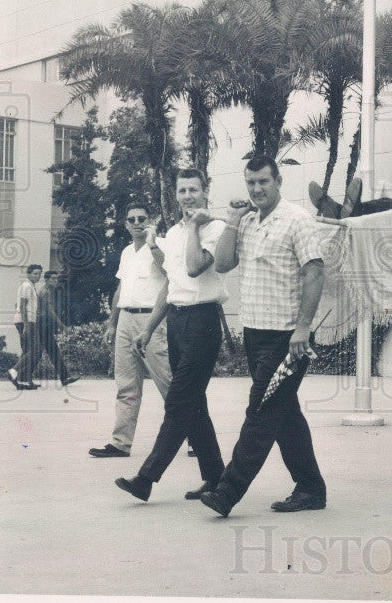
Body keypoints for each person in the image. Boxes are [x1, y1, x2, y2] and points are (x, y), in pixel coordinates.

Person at [199, 155, 328, 517]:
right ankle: (311, 488)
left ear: (278, 181)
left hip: (287, 338)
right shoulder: (248, 222)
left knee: (259, 413)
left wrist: (303, 327)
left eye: (263, 182)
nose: (256, 189)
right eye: (251, 182)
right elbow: (222, 264)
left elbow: (315, 273)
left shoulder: (297, 220)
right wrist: (233, 222)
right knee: (284, 415)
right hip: (255, 335)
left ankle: (227, 491)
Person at [115, 168, 227, 502]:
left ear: (205, 192)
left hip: (204, 322)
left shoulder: (215, 228)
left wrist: (194, 226)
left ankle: (146, 478)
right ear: (175, 195)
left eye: (194, 189)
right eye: (182, 190)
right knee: (195, 406)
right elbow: (171, 282)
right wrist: (149, 329)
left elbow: (194, 267)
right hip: (177, 322)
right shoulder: (175, 232)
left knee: (179, 402)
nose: (188, 196)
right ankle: (216, 477)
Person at [89, 203, 174, 458]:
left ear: (150, 221)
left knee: (168, 383)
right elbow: (120, 290)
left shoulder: (160, 245)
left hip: (152, 320)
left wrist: (152, 243)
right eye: (132, 219)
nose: (137, 223)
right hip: (126, 319)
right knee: (126, 385)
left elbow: (169, 271)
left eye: (142, 219)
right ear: (126, 224)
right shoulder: (127, 252)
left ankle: (195, 437)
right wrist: (112, 323)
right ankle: (120, 442)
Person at [7, 264, 43, 390]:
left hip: (26, 320)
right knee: (36, 349)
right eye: (34, 273)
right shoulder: (26, 286)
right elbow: (22, 306)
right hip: (26, 321)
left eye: (39, 274)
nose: (37, 276)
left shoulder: (30, 287)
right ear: (28, 274)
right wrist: (26, 326)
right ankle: (14, 371)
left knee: (28, 350)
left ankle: (25, 380)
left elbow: (18, 304)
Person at [36, 271, 75, 386]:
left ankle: (65, 377)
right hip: (43, 323)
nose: (56, 281)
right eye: (53, 278)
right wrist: (62, 326)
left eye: (56, 279)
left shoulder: (44, 290)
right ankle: (18, 373)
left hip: (43, 323)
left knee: (50, 351)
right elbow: (50, 311)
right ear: (47, 279)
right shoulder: (45, 292)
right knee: (47, 351)